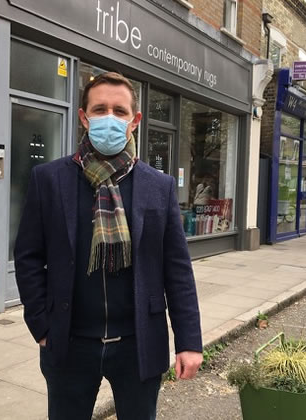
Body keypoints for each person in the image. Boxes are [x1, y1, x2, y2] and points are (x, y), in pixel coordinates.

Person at [14, 72, 203, 420]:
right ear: (84, 117)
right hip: (69, 342)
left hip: (138, 342)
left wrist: (189, 341)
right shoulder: (49, 179)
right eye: (100, 109)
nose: (110, 118)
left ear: (135, 121)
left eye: (119, 110)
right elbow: (28, 257)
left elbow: (176, 268)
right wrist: (41, 325)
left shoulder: (158, 186)